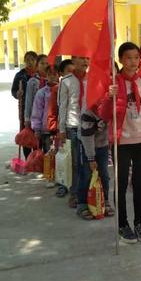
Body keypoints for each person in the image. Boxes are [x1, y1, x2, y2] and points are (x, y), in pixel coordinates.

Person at [98, 42, 141, 243]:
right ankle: (122, 224)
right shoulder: (113, 83)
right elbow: (104, 114)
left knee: (139, 184)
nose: (133, 62)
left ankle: (139, 222)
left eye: (136, 57)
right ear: (120, 60)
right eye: (128, 58)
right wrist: (109, 97)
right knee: (122, 183)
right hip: (121, 142)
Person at [58, 56, 89, 215]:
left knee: (89, 162)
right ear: (73, 61)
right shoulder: (66, 81)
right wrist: (61, 129)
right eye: (81, 58)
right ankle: (74, 193)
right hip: (73, 125)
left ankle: (88, 194)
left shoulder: (92, 79)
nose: (85, 61)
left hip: (89, 125)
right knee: (76, 162)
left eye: (87, 58)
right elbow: (63, 106)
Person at [79, 106, 115, 217]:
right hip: (87, 146)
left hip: (102, 146)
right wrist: (91, 158)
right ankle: (82, 204)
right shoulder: (88, 113)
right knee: (86, 175)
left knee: (104, 174)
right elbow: (87, 137)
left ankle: (105, 201)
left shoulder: (109, 108)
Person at [47, 59, 74, 197]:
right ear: (61, 74)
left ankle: (74, 185)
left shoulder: (79, 85)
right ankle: (62, 184)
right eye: (69, 71)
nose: (72, 73)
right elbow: (53, 110)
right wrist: (54, 128)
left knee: (74, 159)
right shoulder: (57, 89)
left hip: (74, 127)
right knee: (63, 157)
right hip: (61, 129)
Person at [11, 51, 37, 158]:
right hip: (24, 108)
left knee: (37, 133)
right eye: (27, 60)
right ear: (24, 61)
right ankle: (28, 158)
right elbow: (13, 90)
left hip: (38, 108)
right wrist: (17, 94)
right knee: (26, 133)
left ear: (36, 61)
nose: (30, 62)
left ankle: (36, 157)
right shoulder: (20, 75)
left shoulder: (40, 74)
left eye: (32, 60)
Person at [31, 66, 59, 153]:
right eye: (49, 74)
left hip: (60, 129)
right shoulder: (41, 93)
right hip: (46, 130)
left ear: (59, 75)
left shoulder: (63, 90)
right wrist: (36, 129)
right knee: (48, 155)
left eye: (54, 74)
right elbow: (37, 111)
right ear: (46, 76)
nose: (52, 76)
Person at [24, 54, 48, 128]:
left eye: (47, 63)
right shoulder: (32, 81)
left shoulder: (54, 79)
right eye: (42, 63)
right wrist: (27, 118)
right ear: (37, 66)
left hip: (48, 117)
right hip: (36, 116)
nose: (45, 66)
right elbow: (28, 100)